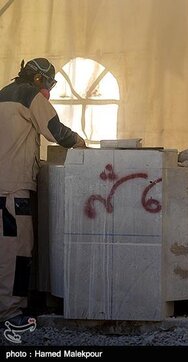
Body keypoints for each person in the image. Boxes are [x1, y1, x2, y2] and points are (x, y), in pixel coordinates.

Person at [0, 58, 86, 326]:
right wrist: (79, 141)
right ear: (38, 79)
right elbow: (55, 131)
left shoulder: (3, 94)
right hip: (14, 189)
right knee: (17, 251)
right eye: (47, 84)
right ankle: (10, 312)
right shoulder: (30, 96)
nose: (47, 89)